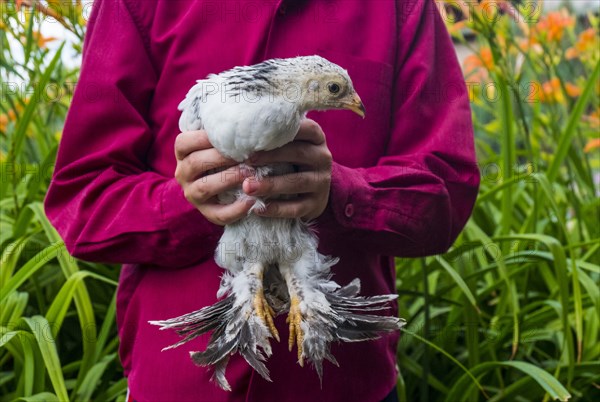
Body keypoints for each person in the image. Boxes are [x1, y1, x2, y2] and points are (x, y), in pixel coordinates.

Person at [45, 0, 480, 401]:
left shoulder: (398, 8)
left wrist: (341, 193)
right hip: (183, 382)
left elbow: (445, 195)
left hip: (340, 382)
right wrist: (190, 202)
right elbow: (83, 200)